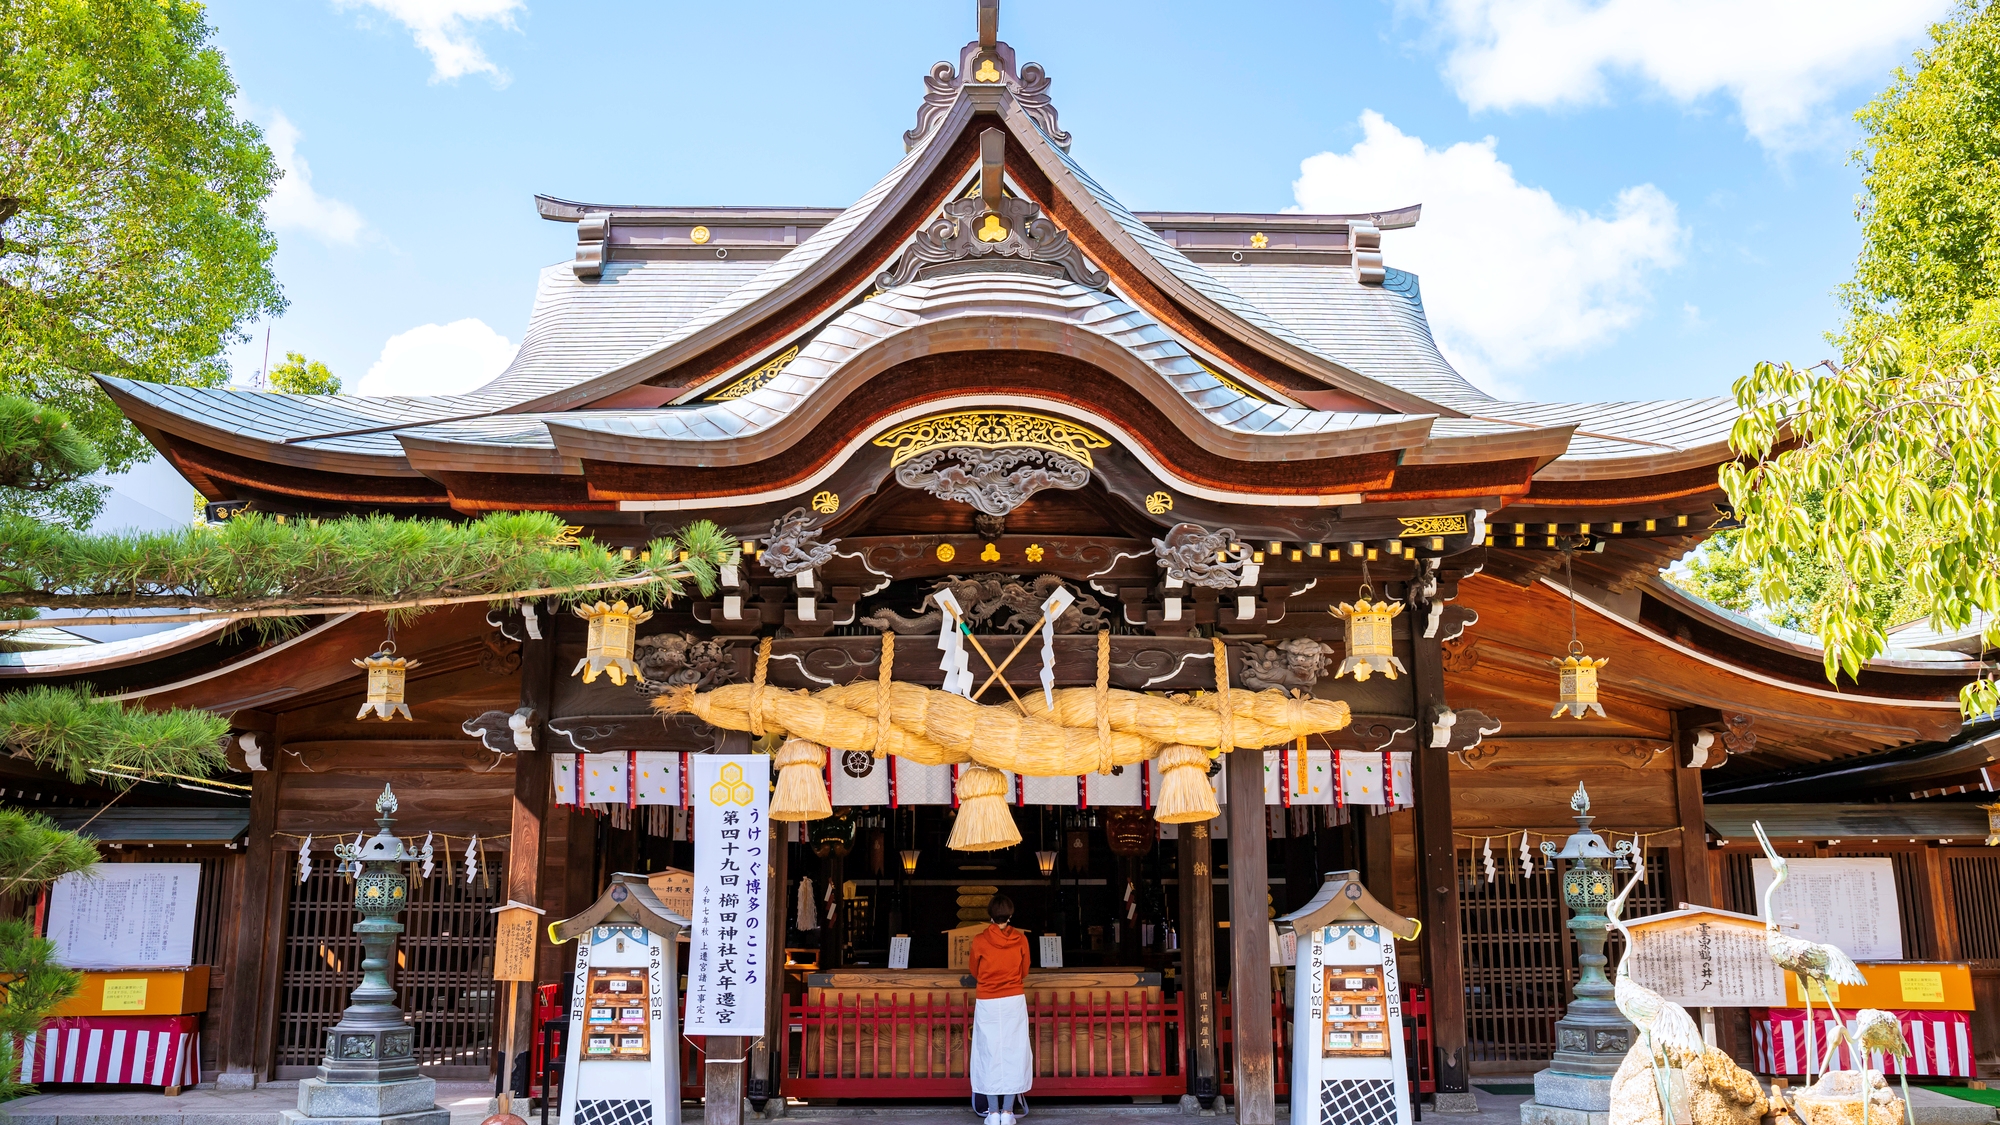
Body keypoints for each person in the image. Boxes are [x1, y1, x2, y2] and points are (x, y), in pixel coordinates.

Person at [967, 894, 1032, 1125]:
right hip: (1014, 999)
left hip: (988, 1002)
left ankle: (993, 1113)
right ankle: (1008, 1112)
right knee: (1014, 1052)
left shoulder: (979, 940)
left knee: (989, 1053)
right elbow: (1024, 971)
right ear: (1011, 915)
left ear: (990, 915)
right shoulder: (1021, 939)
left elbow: (974, 970)